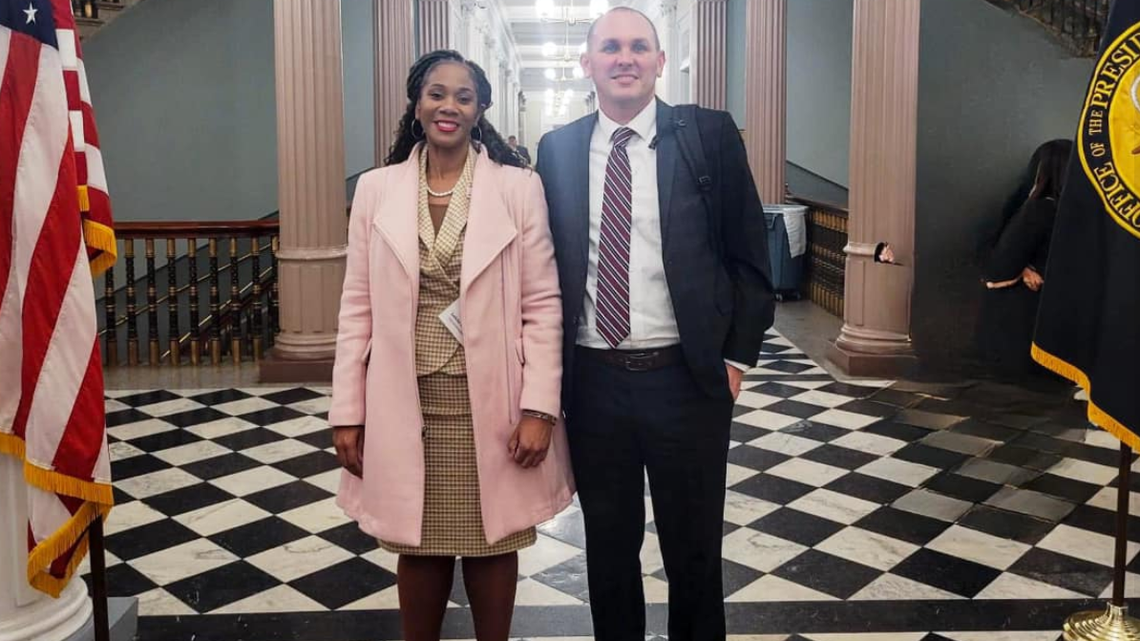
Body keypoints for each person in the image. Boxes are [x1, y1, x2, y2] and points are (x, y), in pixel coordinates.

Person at [535, 8, 774, 641]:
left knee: (693, 552)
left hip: (686, 381)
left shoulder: (708, 136)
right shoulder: (557, 150)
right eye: (609, 47)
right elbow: (543, 266)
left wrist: (735, 359)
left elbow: (750, 256)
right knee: (609, 553)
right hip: (592, 384)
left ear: (660, 61)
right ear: (587, 64)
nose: (625, 58)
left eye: (639, 46)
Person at [328, 50, 574, 641]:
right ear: (417, 106)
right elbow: (355, 306)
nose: (449, 106)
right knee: (418, 541)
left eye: (463, 96)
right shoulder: (376, 190)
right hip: (404, 395)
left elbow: (543, 306)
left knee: (495, 540)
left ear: (480, 109)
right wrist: (347, 411)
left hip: (492, 395)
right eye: (437, 93)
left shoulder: (518, 188)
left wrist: (539, 408)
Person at [975, 139, 1072, 378]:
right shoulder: (1078, 214)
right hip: (1063, 334)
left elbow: (998, 269)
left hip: (1020, 333)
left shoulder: (1039, 209)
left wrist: (1016, 270)